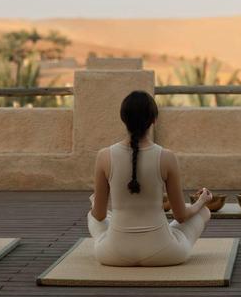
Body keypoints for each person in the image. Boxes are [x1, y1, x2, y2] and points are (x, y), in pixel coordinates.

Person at [88, 90, 212, 266]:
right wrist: (201, 202)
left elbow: (99, 216)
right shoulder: (167, 157)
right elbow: (181, 216)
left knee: (92, 216)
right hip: (165, 254)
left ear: (123, 119)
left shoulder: (104, 156)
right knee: (202, 212)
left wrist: (94, 204)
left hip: (112, 255)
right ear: (154, 119)